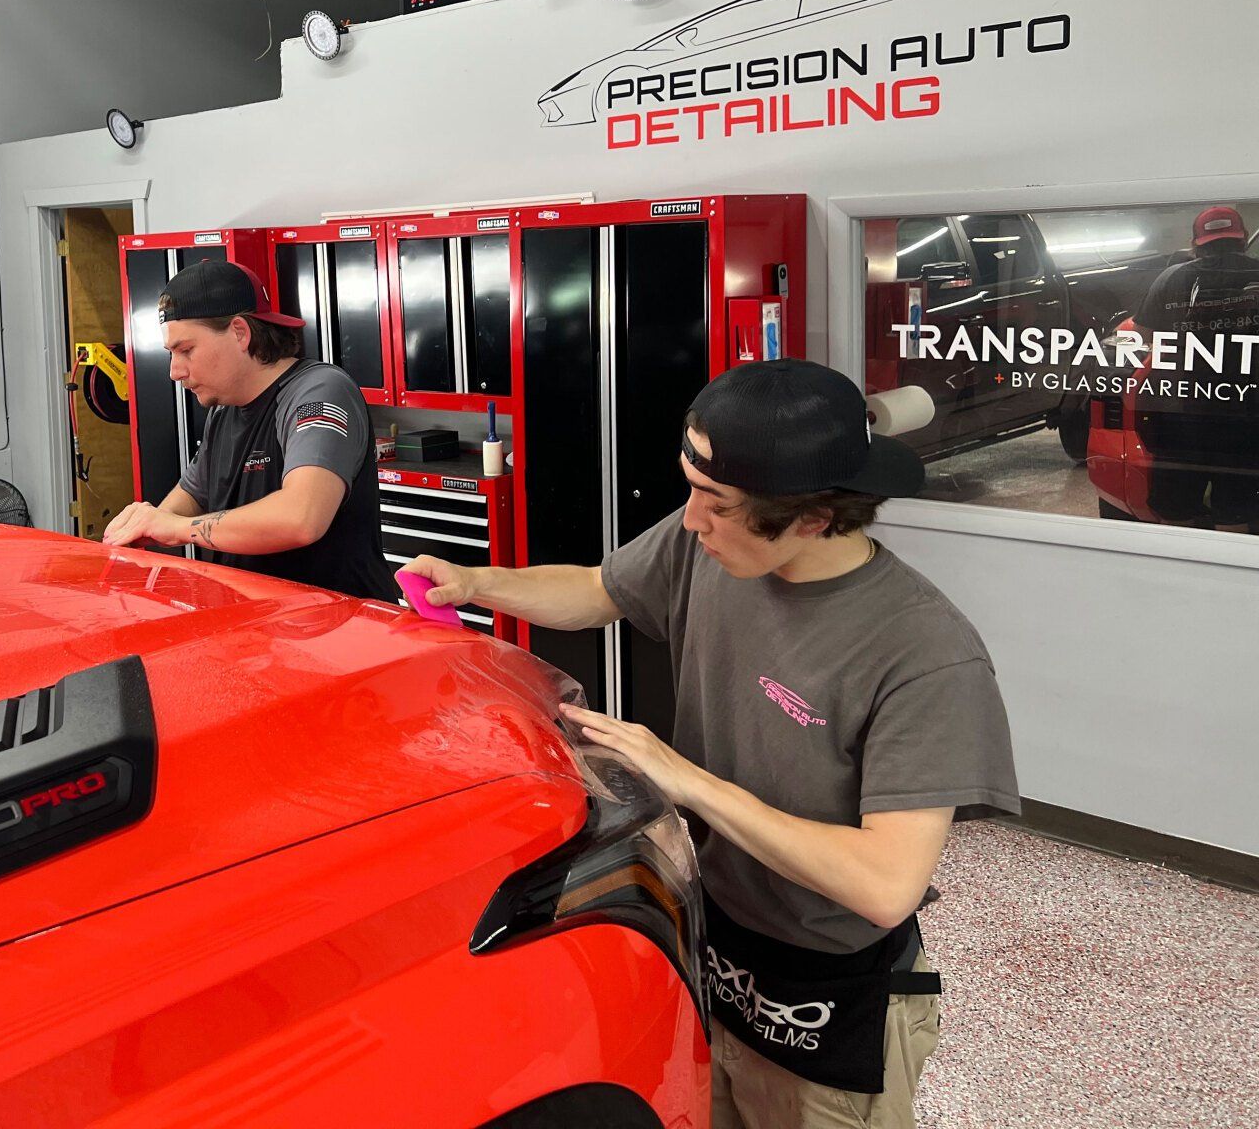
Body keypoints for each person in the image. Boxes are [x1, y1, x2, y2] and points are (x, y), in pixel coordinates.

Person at [399, 359, 1019, 1129]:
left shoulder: (924, 655)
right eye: (692, 489)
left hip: (821, 1002)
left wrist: (684, 779)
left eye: (716, 504)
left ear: (812, 518)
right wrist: (476, 583)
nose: (691, 520)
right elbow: (598, 589)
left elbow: (884, 882)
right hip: (709, 944)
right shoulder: (712, 545)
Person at [101, 259, 394, 600]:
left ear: (240, 332)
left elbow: (302, 517)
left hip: (340, 623)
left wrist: (176, 528)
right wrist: (143, 524)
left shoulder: (318, 392)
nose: (174, 371)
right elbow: (194, 494)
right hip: (262, 618)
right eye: (172, 353)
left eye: (186, 350)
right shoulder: (225, 409)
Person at [1133, 204, 1259, 528]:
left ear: (1195, 243)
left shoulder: (1172, 277)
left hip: (1183, 411)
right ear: (1242, 238)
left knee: (1176, 508)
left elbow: (1143, 334)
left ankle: (1182, 558)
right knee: (1236, 509)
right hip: (1246, 413)